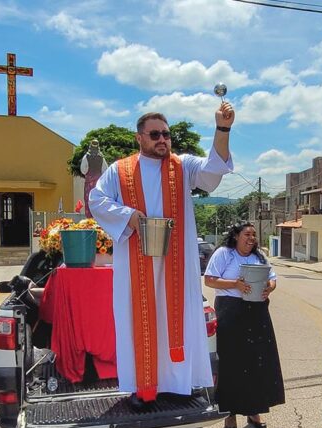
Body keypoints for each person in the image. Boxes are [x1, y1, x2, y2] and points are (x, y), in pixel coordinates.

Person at [89, 103, 235, 405]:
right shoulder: (120, 170)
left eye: (166, 134)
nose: (162, 140)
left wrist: (222, 129)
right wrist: (127, 215)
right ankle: (143, 388)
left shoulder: (182, 166)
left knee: (178, 319)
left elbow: (212, 172)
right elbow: (96, 199)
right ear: (139, 138)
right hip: (135, 264)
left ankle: (180, 386)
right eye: (155, 134)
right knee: (138, 321)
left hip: (177, 265)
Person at [203, 222, 285, 428]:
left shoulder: (259, 257)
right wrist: (235, 284)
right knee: (231, 362)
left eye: (254, 235)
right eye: (247, 234)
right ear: (236, 236)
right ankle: (230, 415)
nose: (251, 238)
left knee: (257, 361)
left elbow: (272, 278)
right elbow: (210, 280)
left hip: (256, 313)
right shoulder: (224, 254)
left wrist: (269, 288)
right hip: (231, 312)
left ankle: (254, 411)